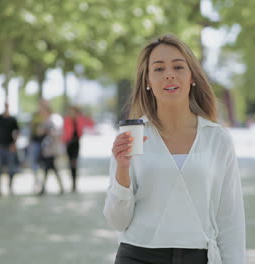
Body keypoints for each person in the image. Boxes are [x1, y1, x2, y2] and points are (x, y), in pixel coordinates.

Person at [103, 34, 246, 264]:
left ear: (191, 76)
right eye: (158, 69)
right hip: (137, 255)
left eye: (178, 66)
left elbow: (230, 220)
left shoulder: (217, 139)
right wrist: (122, 169)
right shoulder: (132, 136)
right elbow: (117, 221)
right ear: (147, 81)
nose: (169, 74)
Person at [62, 105, 94, 192]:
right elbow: (63, 131)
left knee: (74, 163)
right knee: (70, 163)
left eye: (72, 111)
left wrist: (86, 116)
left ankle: (74, 184)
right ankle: (72, 182)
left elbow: (91, 124)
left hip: (76, 143)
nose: (71, 112)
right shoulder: (66, 119)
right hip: (69, 144)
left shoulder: (80, 119)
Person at [0, 102, 19, 196]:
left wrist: (14, 144)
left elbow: (17, 132)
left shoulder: (12, 119)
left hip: (9, 147)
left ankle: (10, 187)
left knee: (11, 169)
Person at [38, 105, 64, 195]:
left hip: (51, 150)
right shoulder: (45, 121)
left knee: (49, 168)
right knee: (50, 168)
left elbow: (57, 133)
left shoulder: (52, 121)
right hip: (48, 150)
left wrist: (48, 132)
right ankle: (60, 187)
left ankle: (43, 188)